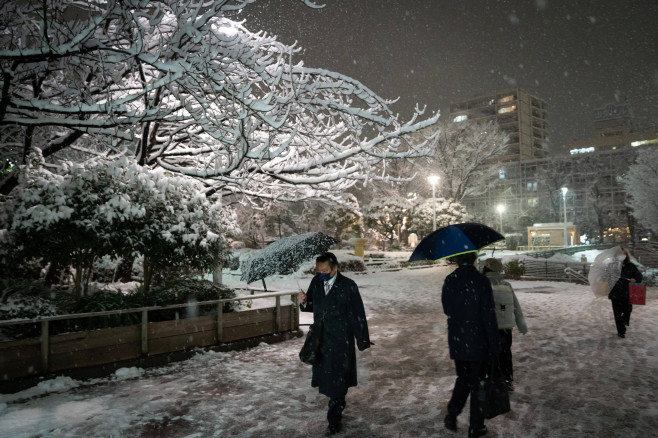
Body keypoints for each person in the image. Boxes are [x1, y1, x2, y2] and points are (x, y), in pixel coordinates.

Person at [297, 252, 372, 435]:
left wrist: (362, 339)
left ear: (335, 267)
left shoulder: (348, 286)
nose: (321, 273)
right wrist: (303, 302)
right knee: (328, 378)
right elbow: (312, 306)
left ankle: (334, 417)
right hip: (321, 339)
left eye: (325, 270)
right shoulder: (316, 282)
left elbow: (358, 314)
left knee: (339, 382)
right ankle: (335, 404)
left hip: (340, 341)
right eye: (318, 270)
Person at [442, 252, 500, 438]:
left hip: (458, 339)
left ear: (458, 261)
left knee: (463, 378)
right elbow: (488, 315)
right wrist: (494, 344)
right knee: (478, 384)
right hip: (479, 340)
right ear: (474, 260)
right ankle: (476, 426)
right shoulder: (481, 281)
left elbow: (447, 309)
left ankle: (452, 413)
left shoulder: (450, 280)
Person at [482, 258, 528, 392]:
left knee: (489, 354)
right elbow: (516, 307)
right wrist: (522, 325)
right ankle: (507, 380)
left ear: (486, 268)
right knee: (505, 354)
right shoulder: (506, 285)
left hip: (488, 327)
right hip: (506, 327)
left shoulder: (481, 284)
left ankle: (490, 379)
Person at [608, 247, 643, 338]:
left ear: (626, 255)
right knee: (617, 314)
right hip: (615, 293)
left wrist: (635, 279)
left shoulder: (630, 265)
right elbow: (607, 279)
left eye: (623, 254)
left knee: (628, 310)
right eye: (619, 254)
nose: (621, 256)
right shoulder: (612, 266)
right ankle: (621, 331)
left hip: (628, 293)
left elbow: (639, 276)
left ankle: (624, 321)